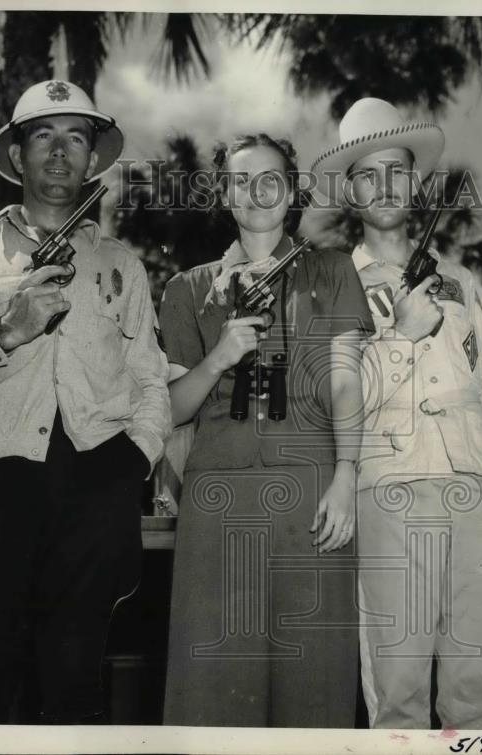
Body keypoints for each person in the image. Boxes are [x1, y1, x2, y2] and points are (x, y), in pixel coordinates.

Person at [0, 80, 172, 724]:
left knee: (76, 693)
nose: (59, 151)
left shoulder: (122, 265)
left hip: (93, 491)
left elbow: (149, 380)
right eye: (43, 134)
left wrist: (135, 459)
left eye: (76, 136)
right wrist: (3, 331)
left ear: (93, 159)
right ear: (16, 156)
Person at [312, 98, 482, 730]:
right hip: (391, 486)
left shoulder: (457, 279)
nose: (384, 185)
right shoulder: (330, 281)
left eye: (397, 171)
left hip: (480, 485)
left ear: (415, 183)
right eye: (367, 174)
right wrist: (401, 335)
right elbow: (337, 395)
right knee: (398, 687)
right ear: (352, 191)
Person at [159, 134, 374, 727]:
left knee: (316, 682)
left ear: (293, 189)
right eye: (240, 180)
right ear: (224, 193)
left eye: (271, 179)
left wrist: (346, 474)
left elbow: (346, 383)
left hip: (310, 493)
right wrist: (217, 358)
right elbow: (173, 408)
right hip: (216, 499)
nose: (256, 192)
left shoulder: (331, 271)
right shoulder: (186, 289)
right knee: (211, 686)